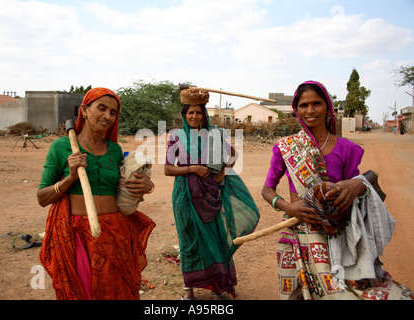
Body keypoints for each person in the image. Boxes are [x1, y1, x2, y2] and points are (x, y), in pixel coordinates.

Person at [261, 80, 413, 300]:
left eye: (317, 103)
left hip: (339, 233)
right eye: (304, 105)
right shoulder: (285, 148)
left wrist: (359, 183)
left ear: (328, 107)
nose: (310, 110)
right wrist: (288, 207)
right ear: (297, 109)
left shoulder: (347, 148)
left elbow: (356, 194)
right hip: (300, 231)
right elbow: (267, 190)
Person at [37, 87, 156, 300]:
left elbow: (124, 188)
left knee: (120, 292)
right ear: (84, 110)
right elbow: (42, 198)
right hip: (78, 234)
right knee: (85, 293)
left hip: (117, 232)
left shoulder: (115, 149)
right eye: (102, 108)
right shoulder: (61, 147)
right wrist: (70, 178)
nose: (107, 116)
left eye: (113, 112)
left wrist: (146, 186)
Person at [164, 88, 260, 300]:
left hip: (210, 193)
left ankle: (217, 287)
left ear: (204, 114)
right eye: (190, 113)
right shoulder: (176, 137)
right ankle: (188, 289)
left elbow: (233, 154)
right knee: (188, 239)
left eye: (198, 112)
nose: (194, 117)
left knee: (214, 238)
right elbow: (168, 169)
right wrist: (193, 169)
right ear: (184, 114)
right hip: (184, 195)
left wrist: (223, 172)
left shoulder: (213, 135)